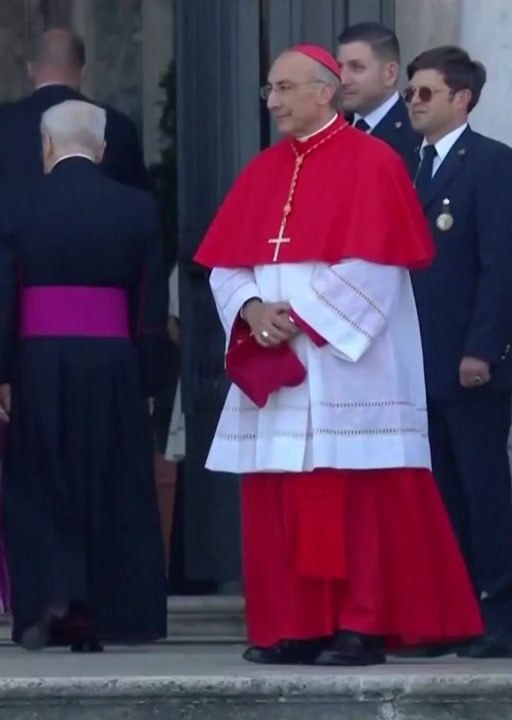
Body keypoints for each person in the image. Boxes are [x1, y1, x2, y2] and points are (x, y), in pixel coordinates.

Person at [193, 44, 483, 666]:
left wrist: (295, 320)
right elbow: (225, 265)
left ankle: (361, 625)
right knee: (283, 500)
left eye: (283, 88)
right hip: (279, 362)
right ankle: (296, 625)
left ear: (323, 93)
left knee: (356, 500)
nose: (271, 100)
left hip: (348, 367)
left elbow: (376, 269)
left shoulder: (374, 163)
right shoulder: (262, 170)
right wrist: (251, 311)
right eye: (269, 89)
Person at [0, 99, 167, 652]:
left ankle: (48, 604)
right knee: (113, 482)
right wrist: (148, 380)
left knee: (39, 482)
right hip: (113, 364)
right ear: (103, 150)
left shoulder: (14, 202)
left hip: (37, 360)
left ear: (46, 146)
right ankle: (111, 613)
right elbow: (150, 305)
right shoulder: (137, 208)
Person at [0, 27, 147, 349]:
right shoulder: (117, 127)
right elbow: (141, 231)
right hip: (103, 313)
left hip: (15, 304)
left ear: (31, 67)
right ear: (82, 71)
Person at [405, 45, 512, 658]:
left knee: (482, 489)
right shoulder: (407, 165)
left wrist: (483, 349)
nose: (414, 104)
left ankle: (497, 611)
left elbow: (500, 268)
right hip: (416, 360)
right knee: (438, 493)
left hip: (470, 365)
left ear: (461, 99)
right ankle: (452, 613)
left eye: (426, 93)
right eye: (412, 93)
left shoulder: (491, 165)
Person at [336, 22, 419, 163]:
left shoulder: (418, 136)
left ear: (390, 74)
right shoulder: (333, 129)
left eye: (357, 67)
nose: (343, 80)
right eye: (339, 67)